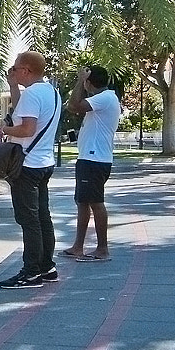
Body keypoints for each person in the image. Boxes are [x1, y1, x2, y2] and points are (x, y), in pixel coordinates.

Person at [0, 51, 63, 288]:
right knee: (42, 216)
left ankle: (31, 271)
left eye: (16, 68)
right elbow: (23, 112)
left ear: (27, 70)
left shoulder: (32, 93)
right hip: (43, 162)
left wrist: (3, 129)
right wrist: (13, 86)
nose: (13, 71)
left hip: (27, 165)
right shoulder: (51, 91)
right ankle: (46, 266)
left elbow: (26, 129)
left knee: (29, 219)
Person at [62, 65, 122, 263]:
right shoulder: (104, 99)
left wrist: (80, 80)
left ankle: (102, 248)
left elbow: (73, 106)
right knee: (83, 202)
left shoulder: (104, 98)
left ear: (90, 82)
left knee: (96, 203)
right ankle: (78, 246)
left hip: (94, 159)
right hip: (90, 158)